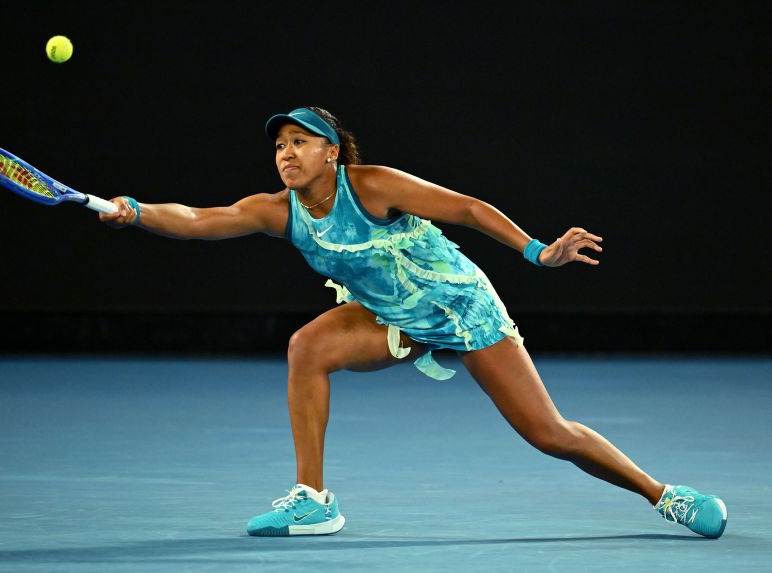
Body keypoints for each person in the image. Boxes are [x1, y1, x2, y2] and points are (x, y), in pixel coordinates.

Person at [100, 106, 727, 539]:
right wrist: (135, 212)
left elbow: (468, 209)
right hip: (390, 315)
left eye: (299, 142)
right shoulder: (278, 210)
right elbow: (198, 218)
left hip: (459, 308)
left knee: (550, 434)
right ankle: (314, 501)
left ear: (331, 151)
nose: (285, 154)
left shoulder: (372, 185)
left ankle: (661, 493)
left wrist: (538, 250)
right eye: (278, 146)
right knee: (307, 347)